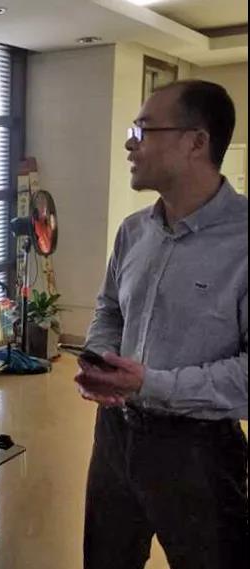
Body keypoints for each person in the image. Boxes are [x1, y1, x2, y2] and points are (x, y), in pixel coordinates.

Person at [77, 79, 248, 569]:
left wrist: (150, 384)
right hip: (115, 435)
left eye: (143, 130)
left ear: (197, 141)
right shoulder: (134, 231)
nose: (130, 143)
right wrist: (101, 359)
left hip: (199, 451)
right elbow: (110, 308)